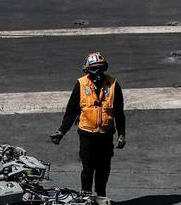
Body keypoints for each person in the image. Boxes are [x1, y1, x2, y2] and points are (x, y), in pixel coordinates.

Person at [49, 51, 125, 197]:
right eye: (93, 69)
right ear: (87, 70)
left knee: (104, 167)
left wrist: (122, 134)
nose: (97, 72)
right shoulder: (81, 84)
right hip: (87, 135)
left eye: (100, 68)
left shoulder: (114, 85)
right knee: (88, 167)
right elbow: (71, 111)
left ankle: (101, 194)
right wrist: (61, 132)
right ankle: (86, 194)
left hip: (106, 134)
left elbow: (119, 113)